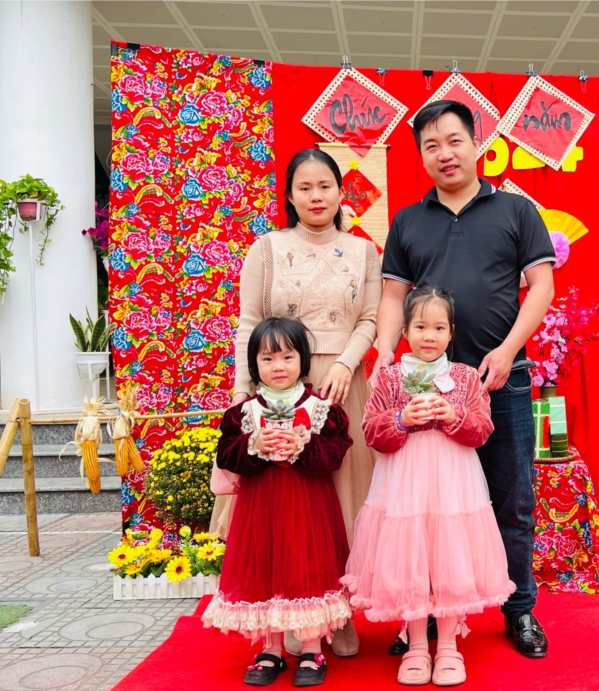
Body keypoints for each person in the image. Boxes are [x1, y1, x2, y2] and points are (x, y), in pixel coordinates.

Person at [375, 100, 556, 659]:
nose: (445, 154)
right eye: (431, 146)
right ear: (421, 156)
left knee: (512, 499)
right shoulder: (408, 221)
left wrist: (507, 350)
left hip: (501, 380)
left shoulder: (516, 210)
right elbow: (392, 296)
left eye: (454, 140)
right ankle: (427, 615)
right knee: (429, 508)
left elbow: (542, 287)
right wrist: (384, 352)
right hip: (425, 387)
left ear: (477, 143)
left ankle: (519, 609)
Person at [221, 148, 381, 656]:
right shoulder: (266, 249)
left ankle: (339, 612)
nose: (316, 196)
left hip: (340, 386)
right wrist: (242, 392)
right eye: (304, 188)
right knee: (287, 505)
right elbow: (249, 324)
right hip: (277, 385)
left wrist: (345, 364)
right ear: (289, 196)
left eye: (325, 186)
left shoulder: (363, 251)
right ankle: (292, 607)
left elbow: (370, 319)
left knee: (343, 499)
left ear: (341, 192)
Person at [343, 287, 514, 686]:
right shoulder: (389, 379)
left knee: (449, 555)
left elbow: (482, 429)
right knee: (410, 557)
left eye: (439, 328)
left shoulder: (466, 377)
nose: (429, 336)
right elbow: (371, 431)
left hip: (453, 482)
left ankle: (449, 646)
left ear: (451, 333)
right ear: (404, 330)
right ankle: (417, 645)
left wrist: (454, 415)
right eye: (420, 326)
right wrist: (401, 419)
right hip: (402, 483)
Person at [202, 317, 353, 688]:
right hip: (260, 509)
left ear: (303, 359)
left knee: (308, 568)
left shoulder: (322, 409)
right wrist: (253, 445)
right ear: (254, 364)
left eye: (287, 356)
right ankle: (270, 650)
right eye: (267, 359)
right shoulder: (243, 413)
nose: (278, 366)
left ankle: (311, 648)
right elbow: (227, 456)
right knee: (263, 568)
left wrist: (305, 445)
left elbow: (335, 454)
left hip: (309, 507)